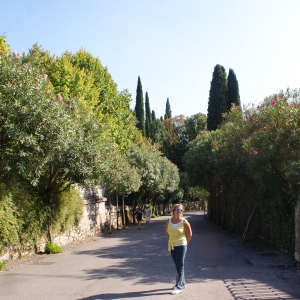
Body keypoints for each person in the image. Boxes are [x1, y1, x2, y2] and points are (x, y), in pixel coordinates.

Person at [165, 204, 192, 295]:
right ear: (173, 211)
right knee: (177, 265)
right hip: (172, 245)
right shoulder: (169, 221)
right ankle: (183, 283)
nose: (179, 211)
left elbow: (189, 235)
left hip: (181, 245)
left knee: (180, 265)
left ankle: (178, 286)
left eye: (181, 210)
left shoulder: (184, 222)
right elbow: (167, 232)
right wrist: (174, 238)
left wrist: (184, 243)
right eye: (177, 210)